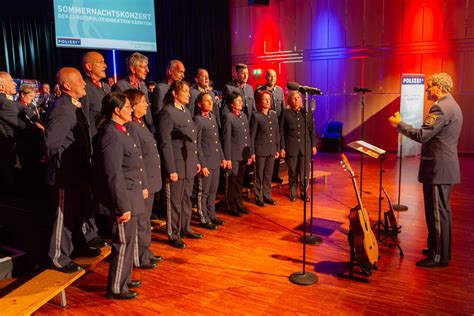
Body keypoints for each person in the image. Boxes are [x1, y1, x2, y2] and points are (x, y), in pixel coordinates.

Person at [389, 72, 463, 268]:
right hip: (442, 167)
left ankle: (438, 257)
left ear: (439, 87)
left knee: (438, 214)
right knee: (439, 213)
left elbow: (422, 135)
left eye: (429, 86)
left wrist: (399, 125)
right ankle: (437, 249)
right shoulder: (451, 105)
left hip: (438, 169)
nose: (427, 90)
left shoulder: (440, 107)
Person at [45, 67, 100, 274]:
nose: (84, 83)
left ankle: (78, 245)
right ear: (67, 85)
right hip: (65, 174)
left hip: (79, 171)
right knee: (64, 216)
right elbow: (51, 143)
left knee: (78, 213)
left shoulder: (74, 106)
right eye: (79, 80)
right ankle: (58, 257)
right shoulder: (64, 108)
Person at [94, 92, 146, 299]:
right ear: (117, 110)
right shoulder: (111, 135)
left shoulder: (120, 131)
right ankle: (116, 287)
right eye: (127, 106)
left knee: (129, 242)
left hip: (131, 195)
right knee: (123, 244)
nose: (131, 109)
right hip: (123, 200)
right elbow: (113, 174)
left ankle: (124, 279)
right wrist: (122, 206)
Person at [157, 80, 203, 249]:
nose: (188, 94)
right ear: (175, 93)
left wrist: (196, 161)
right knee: (174, 201)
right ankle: (173, 233)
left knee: (186, 199)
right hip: (176, 165)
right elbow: (165, 143)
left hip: (188, 163)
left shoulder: (185, 111)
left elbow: (191, 141)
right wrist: (170, 168)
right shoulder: (167, 113)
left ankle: (185, 227)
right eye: (184, 91)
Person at [123, 89, 163, 269]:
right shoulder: (131, 126)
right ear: (132, 106)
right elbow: (137, 159)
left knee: (145, 221)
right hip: (143, 181)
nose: (147, 104)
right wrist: (143, 184)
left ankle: (145, 252)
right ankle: (139, 257)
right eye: (142, 102)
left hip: (151, 180)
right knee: (140, 222)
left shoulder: (141, 123)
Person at [194, 92, 226, 229]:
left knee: (213, 191)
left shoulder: (212, 117)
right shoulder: (197, 120)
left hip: (215, 160)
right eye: (207, 101)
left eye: (211, 100)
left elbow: (217, 141)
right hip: (206, 163)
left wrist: (222, 158)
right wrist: (202, 164)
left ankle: (212, 215)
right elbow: (197, 144)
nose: (210, 102)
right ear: (199, 104)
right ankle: (203, 217)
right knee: (204, 192)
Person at [279, 90, 317, 202]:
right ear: (289, 101)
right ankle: (293, 193)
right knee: (293, 172)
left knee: (305, 173)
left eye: (298, 98)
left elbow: (312, 130)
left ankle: (304, 193)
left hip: (305, 147)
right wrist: (282, 147)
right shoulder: (285, 113)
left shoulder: (306, 112)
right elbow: (281, 131)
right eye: (294, 98)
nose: (297, 100)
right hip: (291, 148)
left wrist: (313, 145)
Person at [222, 91, 253, 217]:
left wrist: (249, 154)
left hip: (243, 155)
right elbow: (226, 139)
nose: (241, 102)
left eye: (241, 100)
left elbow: (247, 137)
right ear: (231, 103)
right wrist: (227, 158)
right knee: (232, 181)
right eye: (238, 100)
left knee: (240, 181)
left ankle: (239, 204)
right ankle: (231, 206)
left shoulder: (244, 116)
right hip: (233, 156)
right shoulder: (228, 117)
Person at [250, 90, 280, 207]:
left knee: (268, 174)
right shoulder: (256, 116)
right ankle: (258, 196)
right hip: (260, 150)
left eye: (269, 99)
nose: (268, 101)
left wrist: (277, 148)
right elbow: (252, 136)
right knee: (259, 175)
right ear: (259, 101)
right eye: (265, 99)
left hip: (271, 150)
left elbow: (276, 133)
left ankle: (267, 196)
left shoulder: (273, 114)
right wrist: (252, 152)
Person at [255, 69, 285, 183]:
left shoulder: (280, 91)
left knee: (275, 149)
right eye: (270, 76)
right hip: (264, 123)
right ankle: (263, 178)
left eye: (274, 76)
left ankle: (275, 174)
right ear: (266, 78)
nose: (272, 78)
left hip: (277, 123)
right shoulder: (259, 91)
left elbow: (282, 107)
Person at [114, 52, 154, 134]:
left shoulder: (143, 85)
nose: (147, 70)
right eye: (143, 67)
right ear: (133, 69)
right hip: (131, 130)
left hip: (146, 128)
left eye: (147, 67)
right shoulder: (120, 86)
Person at [16, 85, 46, 189]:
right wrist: (36, 127)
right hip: (25, 142)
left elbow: (38, 120)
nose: (32, 99)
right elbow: (22, 125)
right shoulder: (16, 106)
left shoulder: (31, 106)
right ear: (22, 94)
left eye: (34, 96)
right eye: (30, 96)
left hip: (36, 142)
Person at [0, 71, 19, 194]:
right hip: (9, 149)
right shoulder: (4, 102)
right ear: (1, 86)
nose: (15, 83)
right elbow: (23, 126)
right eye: (11, 81)